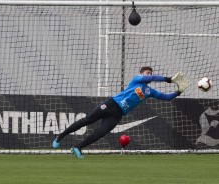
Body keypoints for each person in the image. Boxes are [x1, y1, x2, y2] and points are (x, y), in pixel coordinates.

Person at [52, 66, 190, 158]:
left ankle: (78, 148)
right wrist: (169, 79)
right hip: (111, 104)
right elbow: (151, 79)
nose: (149, 75)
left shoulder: (149, 91)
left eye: (150, 73)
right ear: (142, 74)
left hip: (118, 114)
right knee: (86, 121)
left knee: (101, 133)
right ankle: (60, 137)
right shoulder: (137, 80)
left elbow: (166, 98)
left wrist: (179, 91)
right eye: (147, 73)